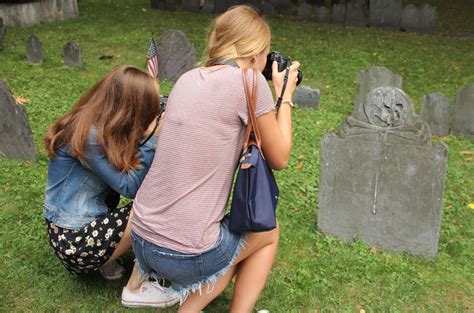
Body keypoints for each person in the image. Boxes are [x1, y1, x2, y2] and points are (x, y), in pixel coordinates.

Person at [125, 5, 300, 312]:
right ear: (256, 54)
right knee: (265, 234)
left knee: (225, 242)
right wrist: (284, 96)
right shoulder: (250, 82)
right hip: (185, 254)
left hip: (140, 240)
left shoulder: (186, 79)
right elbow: (280, 157)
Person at [43, 66, 179, 308]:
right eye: (151, 103)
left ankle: (107, 259)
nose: (157, 107)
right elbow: (129, 186)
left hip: (70, 229)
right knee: (156, 204)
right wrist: (153, 138)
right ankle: (136, 287)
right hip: (74, 242)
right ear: (131, 107)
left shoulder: (95, 122)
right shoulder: (90, 137)